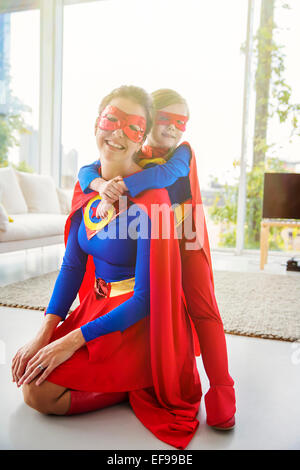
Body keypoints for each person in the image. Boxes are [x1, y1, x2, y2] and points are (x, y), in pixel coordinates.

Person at [11, 85, 202, 450]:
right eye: (111, 119)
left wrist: (70, 341)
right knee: (32, 370)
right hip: (93, 309)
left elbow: (146, 299)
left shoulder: (153, 200)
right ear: (96, 123)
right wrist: (45, 331)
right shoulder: (87, 186)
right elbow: (71, 267)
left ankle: (134, 382)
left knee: (39, 394)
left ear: (142, 138)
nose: (117, 132)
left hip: (133, 323)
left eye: (132, 127)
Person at [78, 88, 236, 430]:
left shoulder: (183, 152)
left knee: (201, 305)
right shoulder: (135, 149)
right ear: (149, 123)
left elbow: (165, 176)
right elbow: (85, 171)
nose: (175, 128)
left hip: (185, 234)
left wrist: (119, 185)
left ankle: (222, 385)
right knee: (155, 306)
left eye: (183, 122)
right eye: (167, 119)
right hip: (152, 234)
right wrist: (96, 185)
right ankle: (145, 370)